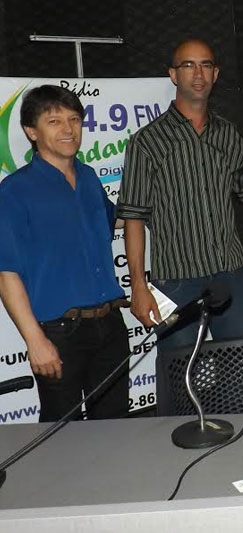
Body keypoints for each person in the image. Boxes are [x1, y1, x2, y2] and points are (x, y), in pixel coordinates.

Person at [118, 39, 243, 350]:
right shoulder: (146, 142)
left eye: (205, 65)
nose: (198, 74)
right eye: (188, 65)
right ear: (173, 74)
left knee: (241, 367)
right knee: (180, 372)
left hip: (231, 275)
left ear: (215, 73)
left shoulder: (228, 134)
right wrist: (139, 286)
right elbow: (133, 217)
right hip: (176, 282)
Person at [0, 85, 129, 421]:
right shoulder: (14, 191)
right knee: (61, 435)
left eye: (74, 119)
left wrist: (156, 205)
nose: (68, 129)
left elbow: (114, 220)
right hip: (59, 335)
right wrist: (34, 340)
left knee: (116, 430)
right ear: (31, 131)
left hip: (111, 326)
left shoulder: (88, 177)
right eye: (54, 121)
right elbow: (6, 273)